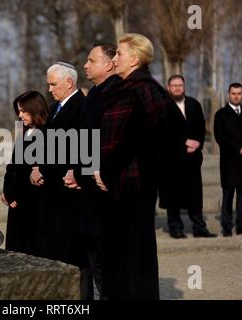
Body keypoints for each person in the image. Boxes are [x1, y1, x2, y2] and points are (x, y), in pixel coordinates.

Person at [93, 33, 186, 300]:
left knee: (135, 254)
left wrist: (107, 171)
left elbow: (137, 138)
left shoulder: (146, 88)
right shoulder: (117, 88)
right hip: (115, 182)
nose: (115, 58)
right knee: (116, 253)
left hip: (135, 184)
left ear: (134, 59)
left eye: (120, 54)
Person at [63, 43, 120, 300]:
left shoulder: (114, 92)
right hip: (87, 186)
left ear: (108, 64)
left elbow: (105, 140)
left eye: (91, 60)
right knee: (93, 256)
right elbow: (84, 138)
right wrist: (75, 171)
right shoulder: (96, 92)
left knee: (105, 259)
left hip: (103, 188)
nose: (85, 65)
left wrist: (82, 173)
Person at [29, 62, 85, 281]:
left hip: (67, 189)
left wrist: (47, 170)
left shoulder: (82, 106)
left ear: (69, 82)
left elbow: (78, 147)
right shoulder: (54, 109)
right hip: (51, 189)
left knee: (72, 253)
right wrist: (36, 167)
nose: (49, 90)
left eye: (53, 84)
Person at [159, 75, 217, 239]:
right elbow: (163, 131)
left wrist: (198, 142)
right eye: (174, 86)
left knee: (195, 196)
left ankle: (199, 228)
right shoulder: (163, 106)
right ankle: (176, 228)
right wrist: (184, 142)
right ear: (168, 87)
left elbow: (200, 127)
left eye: (180, 85)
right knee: (173, 196)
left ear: (184, 87)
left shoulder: (194, 104)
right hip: (171, 159)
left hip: (192, 160)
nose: (177, 88)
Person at [2, 91, 50, 255]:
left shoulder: (46, 133)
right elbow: (13, 166)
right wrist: (7, 192)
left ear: (35, 109)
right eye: (19, 112)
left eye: (24, 111)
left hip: (31, 202)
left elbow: (31, 170)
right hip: (16, 200)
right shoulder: (24, 133)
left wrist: (14, 194)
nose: (20, 115)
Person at [214, 83, 242, 237]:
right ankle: (227, 227)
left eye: (239, 93)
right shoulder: (221, 114)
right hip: (229, 162)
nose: (236, 96)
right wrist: (238, 148)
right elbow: (220, 137)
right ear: (228, 94)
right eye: (233, 93)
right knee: (228, 196)